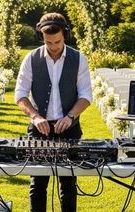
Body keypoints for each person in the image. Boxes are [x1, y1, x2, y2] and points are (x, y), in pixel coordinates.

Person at [14, 12, 92, 212]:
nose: (53, 46)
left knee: (68, 185)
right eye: (48, 42)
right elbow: (20, 95)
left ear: (65, 35)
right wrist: (35, 116)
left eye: (57, 41)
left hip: (70, 128)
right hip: (39, 129)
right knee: (38, 184)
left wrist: (70, 116)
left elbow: (85, 96)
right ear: (42, 37)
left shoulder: (78, 59)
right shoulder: (31, 59)